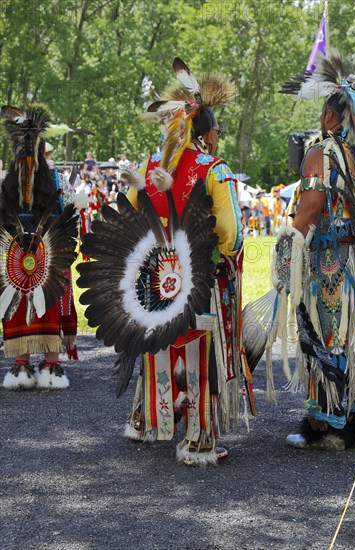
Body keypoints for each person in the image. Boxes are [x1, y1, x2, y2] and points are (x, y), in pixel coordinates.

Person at [78, 58, 250, 466]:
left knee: (158, 337)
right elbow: (229, 229)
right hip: (199, 277)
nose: (217, 139)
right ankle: (197, 439)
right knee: (197, 344)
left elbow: (133, 211)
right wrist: (227, 255)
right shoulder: (213, 169)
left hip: (156, 277)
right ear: (206, 135)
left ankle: (146, 420)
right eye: (217, 133)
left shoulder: (150, 166)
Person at [270, 49, 355, 450]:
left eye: (323, 114)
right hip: (352, 262)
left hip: (327, 262)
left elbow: (308, 210)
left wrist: (284, 256)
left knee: (326, 336)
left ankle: (325, 426)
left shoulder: (321, 152)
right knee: (354, 335)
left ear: (330, 116)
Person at [0, 104, 78, 389]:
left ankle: (23, 365)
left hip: (18, 258)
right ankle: (49, 364)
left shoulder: (6, 183)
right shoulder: (57, 180)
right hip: (46, 255)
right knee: (46, 302)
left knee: (19, 302)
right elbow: (73, 217)